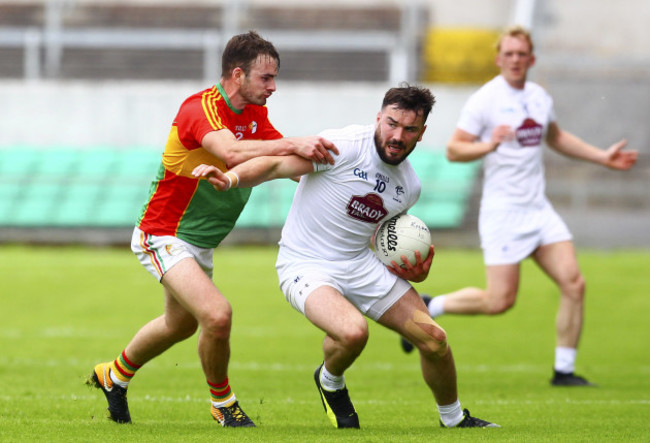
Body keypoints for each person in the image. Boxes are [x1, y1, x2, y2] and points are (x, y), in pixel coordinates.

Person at [193, 84, 499, 429]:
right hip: (305, 263)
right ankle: (330, 381)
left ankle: (453, 418)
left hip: (359, 264)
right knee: (353, 333)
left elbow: (382, 241)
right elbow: (274, 167)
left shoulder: (408, 188)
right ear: (378, 118)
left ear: (421, 133)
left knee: (434, 339)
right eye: (392, 124)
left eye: (409, 129)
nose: (398, 135)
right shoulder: (343, 146)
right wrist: (230, 177)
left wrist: (413, 272)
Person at [86, 31, 337, 427]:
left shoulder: (255, 115)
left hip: (198, 244)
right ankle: (223, 403)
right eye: (265, 78)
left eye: (274, 78)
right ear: (237, 75)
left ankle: (113, 375)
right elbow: (233, 152)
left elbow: (282, 163)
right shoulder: (199, 108)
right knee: (217, 316)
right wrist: (294, 142)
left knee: (180, 324)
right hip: (163, 233)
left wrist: (346, 176)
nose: (273, 87)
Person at [400, 25, 638, 386]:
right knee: (499, 301)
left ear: (531, 59)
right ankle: (433, 306)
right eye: (508, 54)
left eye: (521, 54)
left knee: (574, 283)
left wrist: (602, 157)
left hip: (538, 209)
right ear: (499, 59)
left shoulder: (539, 97)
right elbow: (454, 149)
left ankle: (564, 370)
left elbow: (556, 137)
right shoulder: (485, 99)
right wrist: (489, 145)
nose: (514, 60)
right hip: (503, 213)